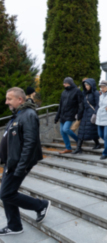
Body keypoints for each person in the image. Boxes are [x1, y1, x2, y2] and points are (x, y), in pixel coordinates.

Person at [0, 87, 51, 235]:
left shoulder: (28, 114)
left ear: (19, 99)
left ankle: (40, 205)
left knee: (6, 194)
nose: (6, 102)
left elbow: (31, 143)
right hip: (11, 161)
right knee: (7, 192)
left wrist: (21, 166)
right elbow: (9, 140)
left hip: (18, 163)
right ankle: (15, 226)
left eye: (9, 99)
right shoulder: (18, 114)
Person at [54, 77, 83, 154]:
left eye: (65, 83)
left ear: (70, 83)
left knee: (66, 129)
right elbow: (60, 105)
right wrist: (57, 117)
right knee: (62, 132)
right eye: (64, 83)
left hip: (71, 114)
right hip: (63, 115)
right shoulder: (64, 92)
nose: (64, 84)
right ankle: (68, 148)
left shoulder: (77, 91)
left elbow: (80, 104)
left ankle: (78, 140)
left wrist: (79, 114)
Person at [73, 78, 101, 154]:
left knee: (92, 130)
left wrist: (95, 114)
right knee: (81, 131)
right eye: (85, 85)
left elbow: (98, 104)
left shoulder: (95, 93)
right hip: (85, 114)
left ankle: (97, 143)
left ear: (91, 85)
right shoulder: (83, 93)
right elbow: (81, 104)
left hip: (92, 114)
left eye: (87, 85)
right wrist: (78, 113)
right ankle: (78, 148)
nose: (86, 86)